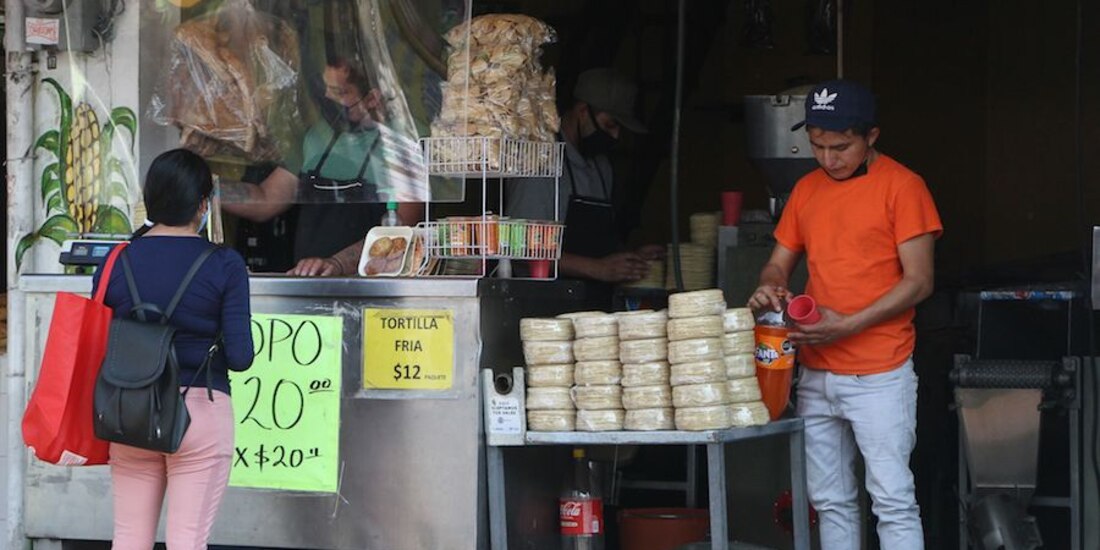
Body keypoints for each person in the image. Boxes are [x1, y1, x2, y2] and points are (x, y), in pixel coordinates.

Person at [747, 80, 942, 549]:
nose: (828, 158)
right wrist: (769, 282)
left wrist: (849, 324)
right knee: (830, 499)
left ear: (871, 137)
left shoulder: (903, 186)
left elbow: (920, 281)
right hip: (816, 372)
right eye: (817, 145)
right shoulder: (807, 189)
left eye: (840, 146)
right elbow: (780, 258)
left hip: (880, 373)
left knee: (892, 500)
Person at [92, 149, 254, 549]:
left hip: (129, 411)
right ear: (202, 204)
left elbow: (100, 340)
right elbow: (240, 357)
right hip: (198, 413)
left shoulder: (116, 261)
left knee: (129, 539)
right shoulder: (224, 264)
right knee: (187, 541)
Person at [221, 56, 424, 276]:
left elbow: (402, 227)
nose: (328, 98)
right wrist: (207, 188)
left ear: (373, 98)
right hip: (309, 280)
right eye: (327, 89)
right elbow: (265, 199)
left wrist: (338, 264)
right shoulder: (315, 137)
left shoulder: (403, 144)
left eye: (340, 93)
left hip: (372, 286)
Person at [505, 68, 661, 283]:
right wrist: (596, 269)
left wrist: (631, 260)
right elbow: (518, 248)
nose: (615, 136)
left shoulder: (601, 167)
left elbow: (597, 244)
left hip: (594, 304)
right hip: (545, 302)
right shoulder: (540, 161)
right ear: (582, 111)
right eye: (610, 124)